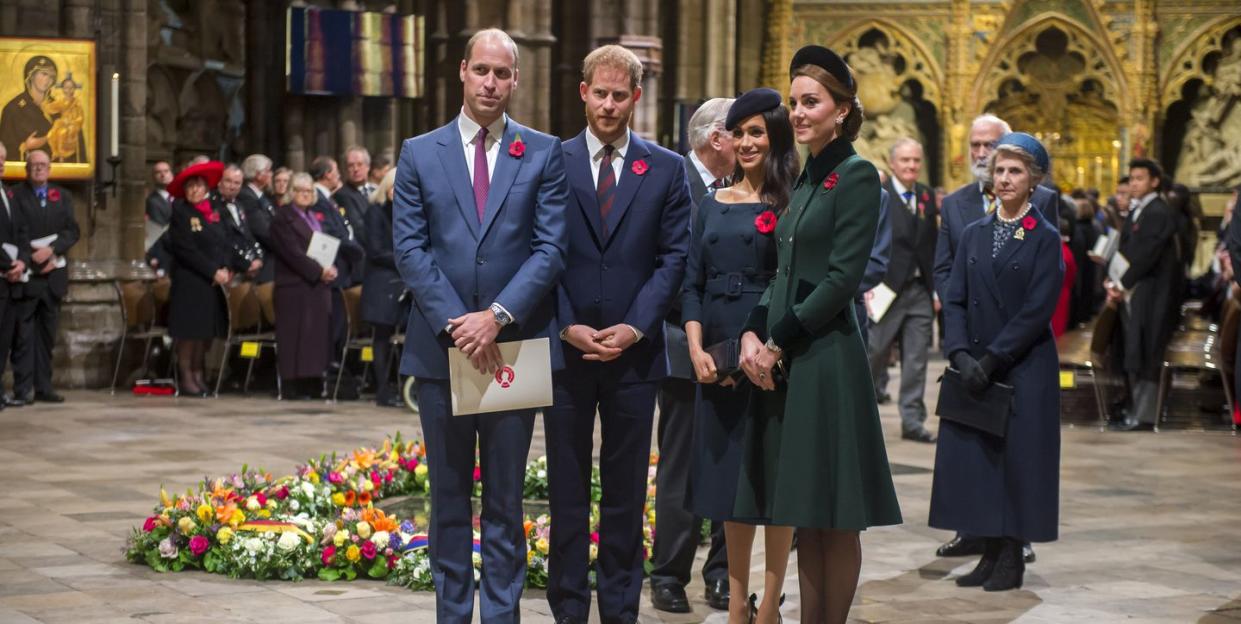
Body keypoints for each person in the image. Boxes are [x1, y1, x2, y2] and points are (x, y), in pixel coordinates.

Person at [392, 28, 567, 624]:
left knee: (504, 499)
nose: (491, 83)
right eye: (482, 71)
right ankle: (452, 614)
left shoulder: (542, 153)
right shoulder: (419, 152)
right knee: (446, 499)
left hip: (511, 347)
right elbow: (411, 250)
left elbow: (549, 249)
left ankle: (500, 616)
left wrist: (495, 317)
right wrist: (458, 324)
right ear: (462, 72)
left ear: (516, 80)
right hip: (442, 350)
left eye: (503, 73)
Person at [736, 45, 902, 624]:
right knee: (806, 511)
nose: (799, 113)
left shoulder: (857, 175)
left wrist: (777, 339)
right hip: (790, 359)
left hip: (826, 357)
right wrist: (752, 334)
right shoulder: (806, 177)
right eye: (795, 102)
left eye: (812, 102)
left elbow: (840, 280)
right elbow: (783, 271)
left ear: (842, 110)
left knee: (835, 514)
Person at [546, 44, 691, 624]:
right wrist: (565, 325)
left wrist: (634, 326)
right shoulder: (550, 162)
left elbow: (674, 257)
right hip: (566, 353)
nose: (608, 104)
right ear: (582, 92)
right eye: (599, 93)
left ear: (636, 97)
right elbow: (540, 254)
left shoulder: (665, 168)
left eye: (619, 94)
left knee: (627, 493)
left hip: (634, 357)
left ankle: (620, 610)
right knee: (567, 490)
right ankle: (568, 609)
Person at [931, 132, 1064, 592]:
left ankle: (1012, 555)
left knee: (1019, 463)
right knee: (981, 463)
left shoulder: (1043, 236)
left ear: (1034, 181)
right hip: (976, 366)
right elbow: (956, 298)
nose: (1004, 178)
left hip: (1023, 367)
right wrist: (959, 353)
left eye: (1015, 171)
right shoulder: (974, 232)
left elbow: (1037, 310)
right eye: (1000, 170)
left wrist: (993, 358)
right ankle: (989, 552)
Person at [681, 88, 795, 624]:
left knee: (770, 478)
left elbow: (793, 283)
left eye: (757, 132)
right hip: (718, 346)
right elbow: (691, 283)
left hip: (772, 347)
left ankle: (770, 602)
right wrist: (697, 348)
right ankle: (734, 600)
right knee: (728, 477)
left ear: (775, 137)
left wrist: (771, 350)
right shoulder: (709, 204)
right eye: (739, 132)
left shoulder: (790, 201)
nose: (747, 142)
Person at [649, 95, 734, 615]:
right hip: (682, 345)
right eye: (741, 132)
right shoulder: (670, 180)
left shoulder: (746, 188)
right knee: (680, 467)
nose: (752, 142)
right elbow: (663, 266)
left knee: (727, 463)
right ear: (717, 137)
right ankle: (669, 575)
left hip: (733, 353)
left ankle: (722, 573)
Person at [869, 137, 939, 443]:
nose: (911, 166)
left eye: (916, 161)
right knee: (874, 351)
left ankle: (912, 420)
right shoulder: (879, 194)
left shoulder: (925, 195)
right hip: (885, 287)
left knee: (916, 359)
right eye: (905, 161)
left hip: (919, 289)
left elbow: (931, 244)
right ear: (892, 163)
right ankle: (862, 412)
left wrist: (934, 289)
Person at [1105, 159, 1181, 432]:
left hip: (1152, 294)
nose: (1134, 183)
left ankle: (1144, 415)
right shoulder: (1142, 210)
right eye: (1132, 178)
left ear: (1154, 181)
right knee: (1135, 350)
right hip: (1137, 290)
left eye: (1140, 178)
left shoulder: (1158, 211)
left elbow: (1146, 254)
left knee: (1147, 350)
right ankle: (1133, 409)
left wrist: (1120, 282)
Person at [163, 161, 247, 397]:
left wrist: (227, 268)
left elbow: (226, 244)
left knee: (203, 334)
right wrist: (213, 271)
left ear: (207, 189)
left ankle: (199, 372)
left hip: (212, 284)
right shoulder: (181, 213)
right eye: (190, 187)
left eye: (198, 186)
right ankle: (186, 375)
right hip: (191, 281)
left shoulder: (215, 213)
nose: (194, 191)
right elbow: (186, 250)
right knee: (189, 333)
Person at [8, 150, 78, 404]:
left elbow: (72, 231)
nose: (39, 169)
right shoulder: (15, 195)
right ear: (27, 169)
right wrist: (34, 260)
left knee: (47, 336)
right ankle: (22, 388)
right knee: (23, 337)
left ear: (50, 169)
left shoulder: (63, 196)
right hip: (29, 275)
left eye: (43, 165)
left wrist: (53, 252)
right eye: (34, 165)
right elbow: (14, 232)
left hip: (54, 275)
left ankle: (44, 386)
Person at [269, 173, 336, 399]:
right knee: (294, 338)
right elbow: (292, 253)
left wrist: (330, 267)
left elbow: (323, 247)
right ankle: (292, 386)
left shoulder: (313, 216)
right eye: (300, 190)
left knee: (313, 338)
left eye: (309, 191)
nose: (305, 195)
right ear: (291, 192)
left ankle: (313, 383)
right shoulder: (282, 217)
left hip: (316, 286)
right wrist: (319, 271)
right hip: (294, 285)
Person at [310, 155, 365, 396]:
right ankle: (330, 369)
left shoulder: (328, 199)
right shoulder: (318, 199)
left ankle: (335, 367)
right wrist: (357, 250)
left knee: (340, 323)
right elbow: (331, 233)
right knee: (335, 323)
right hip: (334, 268)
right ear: (325, 175)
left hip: (342, 270)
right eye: (335, 171)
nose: (339, 175)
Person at [360, 168, 405, 408]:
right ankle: (382, 391)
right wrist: (408, 260)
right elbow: (376, 250)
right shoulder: (375, 212)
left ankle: (402, 386)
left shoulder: (407, 212)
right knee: (382, 337)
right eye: (394, 188)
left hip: (401, 283)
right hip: (381, 283)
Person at [0, 142, 30, 409]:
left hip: (12, 279)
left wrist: (22, 261)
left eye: (3, 159)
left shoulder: (8, 194)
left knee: (5, 339)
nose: (1, 163)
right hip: (2, 274)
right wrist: (7, 264)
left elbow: (21, 231)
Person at [0, 56, 58, 161]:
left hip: (57, 170)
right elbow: (5, 150)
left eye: (51, 76)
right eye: (44, 74)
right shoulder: (13, 109)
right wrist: (25, 147)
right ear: (31, 75)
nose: (48, 80)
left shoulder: (58, 107)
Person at [212, 165, 264, 281]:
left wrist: (258, 257)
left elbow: (248, 235)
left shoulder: (239, 205)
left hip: (245, 271)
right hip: (225, 269)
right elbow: (223, 240)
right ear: (220, 182)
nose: (232, 186)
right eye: (228, 181)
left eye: (237, 183)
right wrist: (246, 264)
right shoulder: (212, 206)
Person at [238, 154, 276, 284]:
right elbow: (263, 231)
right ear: (258, 175)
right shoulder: (247, 196)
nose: (271, 174)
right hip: (261, 263)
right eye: (268, 171)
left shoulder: (262, 197)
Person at [335, 145, 373, 255]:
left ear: (368, 166)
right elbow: (358, 228)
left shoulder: (376, 189)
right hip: (365, 253)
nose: (355, 169)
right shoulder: (342, 195)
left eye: (359, 164)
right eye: (350, 165)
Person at [145, 161, 175, 274]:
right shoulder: (152, 201)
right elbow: (160, 231)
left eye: (166, 171)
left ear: (172, 174)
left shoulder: (179, 197)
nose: (163, 175)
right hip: (165, 253)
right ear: (153, 177)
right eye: (158, 172)